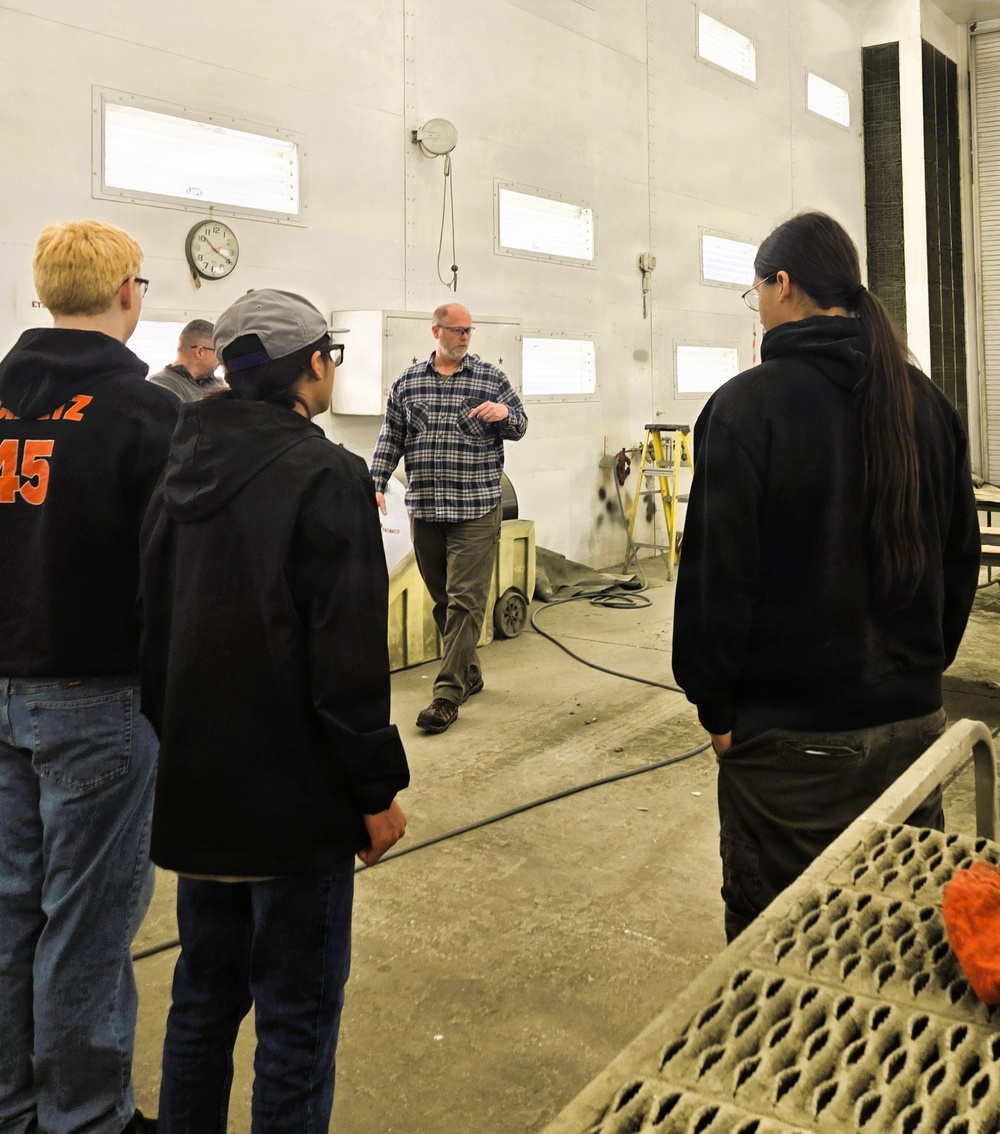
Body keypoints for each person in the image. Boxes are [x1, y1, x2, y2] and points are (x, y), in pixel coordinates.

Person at [139, 289, 409, 1134]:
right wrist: (374, 789)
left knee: (202, 1001)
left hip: (199, 796)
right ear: (311, 366)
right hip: (296, 808)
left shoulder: (179, 467)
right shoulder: (327, 475)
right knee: (295, 1021)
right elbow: (347, 658)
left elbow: (150, 628)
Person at [671, 211, 981, 942]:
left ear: (782, 285)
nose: (757, 306)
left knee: (782, 950)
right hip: (914, 728)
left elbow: (718, 582)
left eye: (755, 291)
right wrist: (915, 672)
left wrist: (716, 710)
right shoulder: (927, 403)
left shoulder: (745, 408)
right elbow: (959, 561)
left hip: (792, 747)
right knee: (898, 938)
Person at [0, 220, 177, 1134]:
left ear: (42, 294)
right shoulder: (148, 415)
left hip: (3, 688)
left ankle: (15, 1106)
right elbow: (174, 570)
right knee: (87, 923)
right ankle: (87, 1116)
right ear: (127, 292)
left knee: (10, 914)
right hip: (96, 697)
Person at [371, 303, 528, 733]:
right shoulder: (407, 383)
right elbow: (391, 437)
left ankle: (446, 695)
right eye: (456, 330)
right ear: (435, 332)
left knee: (465, 601)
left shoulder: (490, 378)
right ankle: (470, 672)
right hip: (426, 510)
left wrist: (505, 414)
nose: (464, 337)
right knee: (443, 600)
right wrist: (376, 482)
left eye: (469, 331)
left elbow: (520, 425)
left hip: (475, 509)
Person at [147, 319, 227, 402]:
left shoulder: (218, 383)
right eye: (218, 352)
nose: (220, 360)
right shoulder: (160, 386)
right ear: (199, 352)